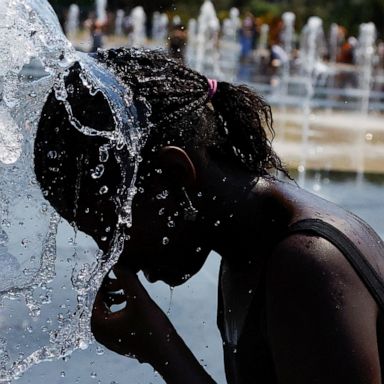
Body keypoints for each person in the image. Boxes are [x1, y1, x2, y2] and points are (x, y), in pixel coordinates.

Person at [34, 48, 384, 384]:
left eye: (115, 229)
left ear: (175, 173)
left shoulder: (309, 263)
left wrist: (162, 349)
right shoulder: (249, 248)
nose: (114, 256)